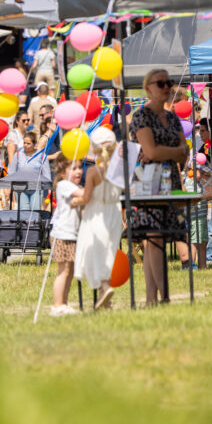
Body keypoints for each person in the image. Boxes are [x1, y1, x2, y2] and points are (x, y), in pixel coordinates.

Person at [131, 69, 189, 306]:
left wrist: (168, 152)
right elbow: (152, 151)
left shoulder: (173, 118)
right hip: (148, 183)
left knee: (157, 240)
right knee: (154, 238)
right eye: (161, 83)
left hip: (170, 182)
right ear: (148, 88)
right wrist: (175, 151)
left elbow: (184, 153)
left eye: (169, 82)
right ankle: (163, 297)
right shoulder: (141, 116)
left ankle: (151, 299)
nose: (167, 87)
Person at [73, 133, 121, 310]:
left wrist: (74, 201)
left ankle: (104, 286)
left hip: (97, 214)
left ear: (94, 150)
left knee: (94, 251)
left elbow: (86, 198)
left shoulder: (93, 172)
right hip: (115, 213)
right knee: (108, 252)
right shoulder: (119, 169)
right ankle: (104, 296)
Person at [49, 155, 84, 316]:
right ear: (62, 172)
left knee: (70, 271)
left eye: (80, 167)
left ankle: (64, 303)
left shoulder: (74, 186)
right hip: (62, 235)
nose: (79, 171)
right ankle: (57, 305)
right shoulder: (64, 185)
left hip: (71, 235)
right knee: (63, 271)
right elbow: (85, 194)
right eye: (73, 168)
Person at [8, 131, 51, 210]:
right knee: (24, 212)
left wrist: (48, 188)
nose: (25, 145)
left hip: (36, 189)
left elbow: (46, 174)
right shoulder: (18, 155)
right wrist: (9, 188)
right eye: (24, 143)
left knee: (34, 212)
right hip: (21, 189)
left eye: (28, 143)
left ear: (34, 144)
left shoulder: (42, 156)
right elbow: (11, 172)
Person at [183, 164, 212, 270]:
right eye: (201, 172)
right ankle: (190, 265)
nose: (204, 174)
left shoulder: (198, 183)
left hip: (201, 217)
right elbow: (192, 197)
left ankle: (202, 266)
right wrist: (208, 195)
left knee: (203, 241)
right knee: (194, 241)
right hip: (194, 218)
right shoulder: (189, 182)